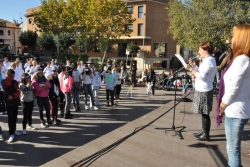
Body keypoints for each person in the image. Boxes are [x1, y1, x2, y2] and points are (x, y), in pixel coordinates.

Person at [219, 24, 250, 167]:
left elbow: (233, 87)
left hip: (235, 110)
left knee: (233, 151)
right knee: (232, 149)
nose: (231, 38)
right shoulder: (243, 59)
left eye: (233, 35)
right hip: (238, 109)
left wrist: (222, 104)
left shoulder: (242, 60)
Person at [186, 41, 216, 141]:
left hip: (205, 90)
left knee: (205, 113)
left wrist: (191, 69)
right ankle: (203, 131)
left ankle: (206, 134)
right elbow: (201, 72)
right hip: (202, 89)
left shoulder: (209, 61)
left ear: (206, 50)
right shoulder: (206, 60)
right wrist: (195, 67)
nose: (198, 52)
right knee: (203, 112)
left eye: (200, 50)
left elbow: (202, 76)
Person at [2, 69, 21, 143]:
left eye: (13, 75)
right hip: (9, 103)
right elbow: (8, 84)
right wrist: (8, 76)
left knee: (15, 117)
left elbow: (18, 91)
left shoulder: (15, 82)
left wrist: (13, 96)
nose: (12, 77)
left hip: (15, 101)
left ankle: (14, 130)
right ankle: (11, 134)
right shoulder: (4, 81)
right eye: (11, 75)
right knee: (10, 118)